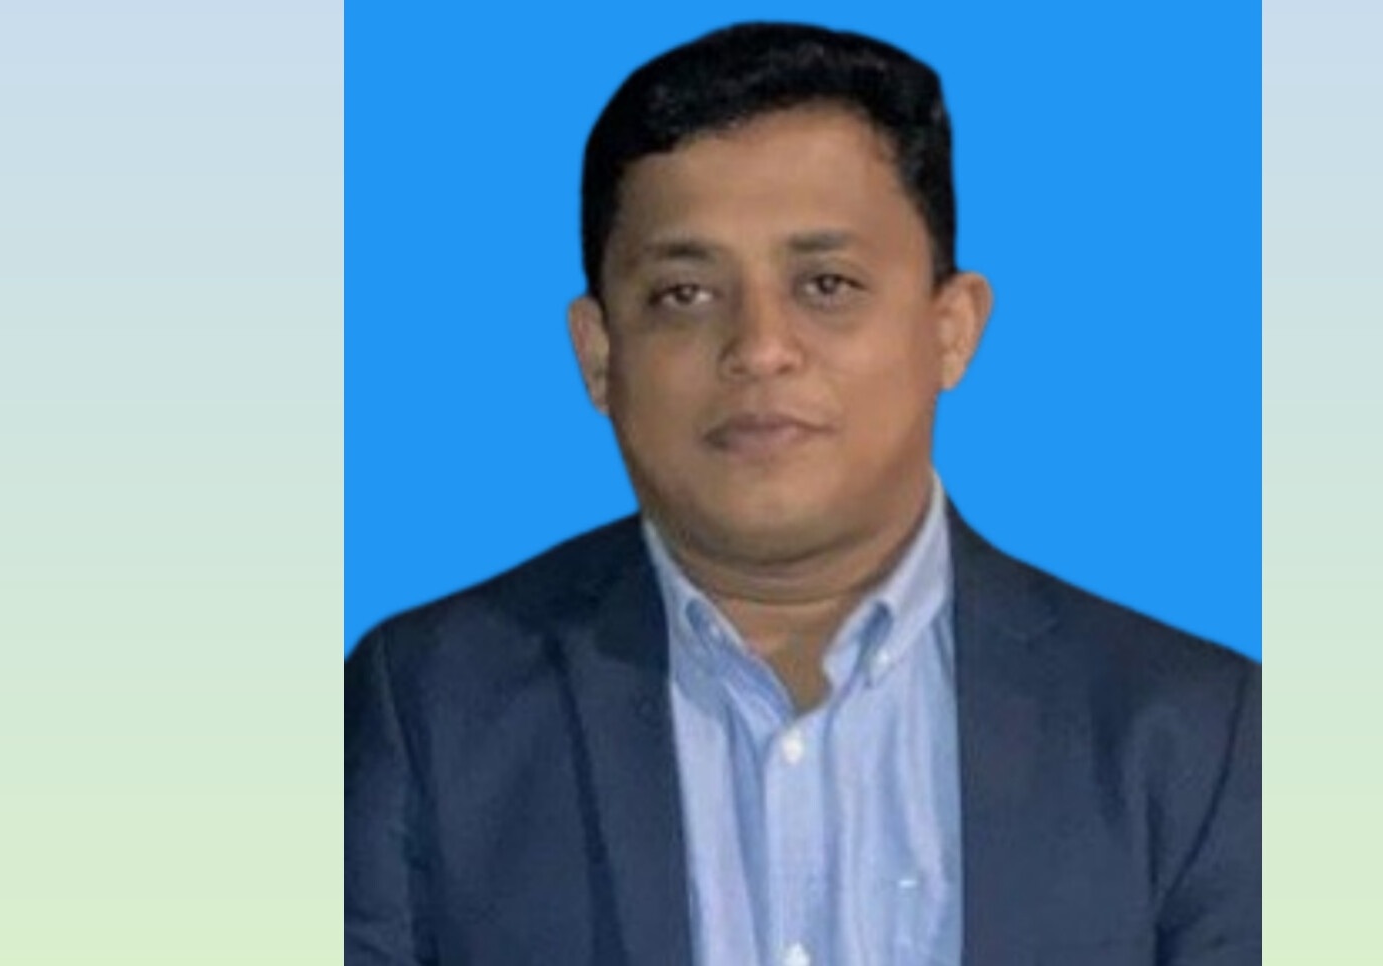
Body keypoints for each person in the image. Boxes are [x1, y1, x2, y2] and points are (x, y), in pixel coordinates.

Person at [346, 21, 1258, 966]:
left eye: (826, 284)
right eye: (685, 294)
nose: (760, 348)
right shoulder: (429, 708)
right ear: (599, 354)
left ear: (951, 329)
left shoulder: (1193, 733)